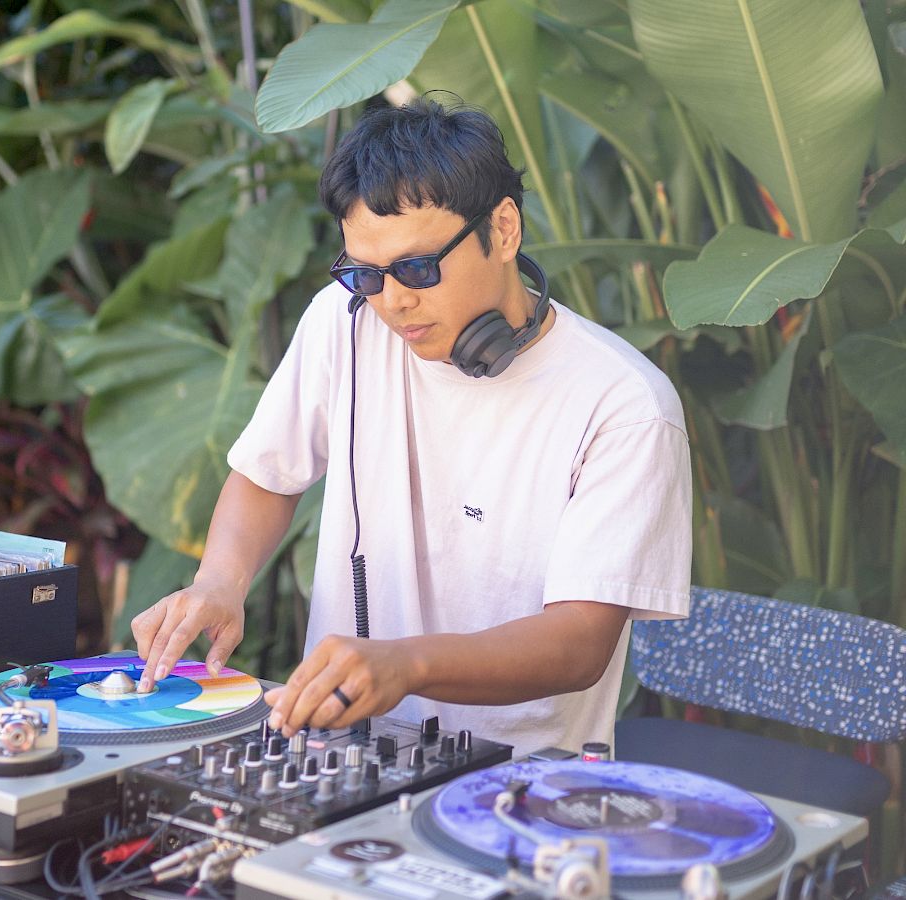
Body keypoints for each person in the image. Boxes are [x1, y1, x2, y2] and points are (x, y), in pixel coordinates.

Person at [131, 98, 691, 756]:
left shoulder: (625, 405)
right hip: (333, 750)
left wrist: (406, 666)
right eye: (367, 274)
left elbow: (578, 645)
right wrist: (219, 582)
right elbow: (266, 475)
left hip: (519, 785)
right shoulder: (343, 321)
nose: (393, 301)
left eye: (418, 269)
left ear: (504, 230)